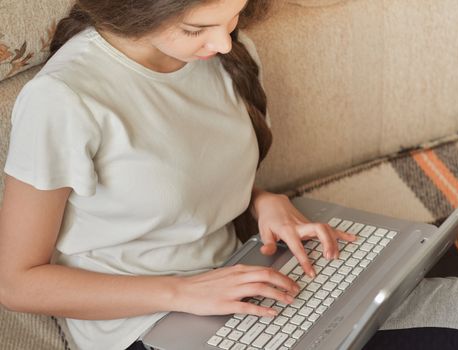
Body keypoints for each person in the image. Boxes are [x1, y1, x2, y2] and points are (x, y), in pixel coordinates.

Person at [0, 0, 356, 349]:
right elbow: (16, 285)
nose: (223, 43)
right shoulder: (62, 98)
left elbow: (172, 180)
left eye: (233, 17)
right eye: (195, 29)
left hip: (237, 279)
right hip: (141, 325)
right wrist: (184, 292)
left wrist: (262, 201)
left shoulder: (228, 54)